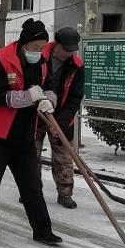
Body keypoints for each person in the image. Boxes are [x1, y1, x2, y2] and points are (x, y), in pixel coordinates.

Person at [0, 18, 63, 245]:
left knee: (32, 185)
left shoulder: (42, 62)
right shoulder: (1, 60)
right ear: (24, 44)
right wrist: (25, 97)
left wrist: (48, 100)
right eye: (34, 48)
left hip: (24, 134)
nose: (39, 52)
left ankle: (43, 231)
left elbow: (51, 86)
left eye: (42, 47)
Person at [37, 27, 85, 209]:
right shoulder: (39, 56)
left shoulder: (77, 67)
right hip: (37, 113)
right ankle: (32, 190)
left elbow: (75, 97)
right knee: (31, 155)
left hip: (62, 116)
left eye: (72, 50)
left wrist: (61, 123)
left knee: (64, 156)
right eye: (66, 49)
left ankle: (65, 193)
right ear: (56, 44)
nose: (69, 53)